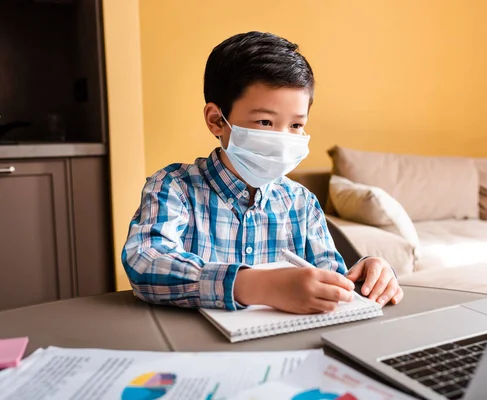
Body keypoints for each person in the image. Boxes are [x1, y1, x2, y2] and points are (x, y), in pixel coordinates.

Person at [122, 31, 403, 314]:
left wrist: (364, 277)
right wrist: (254, 285)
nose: (282, 140)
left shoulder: (301, 203)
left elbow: (329, 284)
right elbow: (145, 261)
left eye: (295, 126)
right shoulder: (174, 188)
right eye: (265, 122)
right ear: (217, 120)